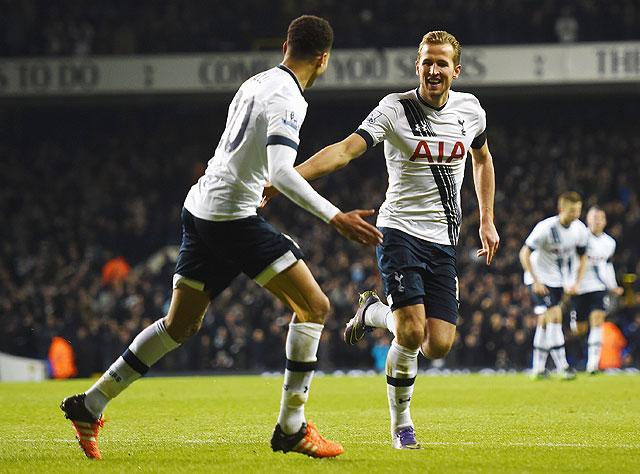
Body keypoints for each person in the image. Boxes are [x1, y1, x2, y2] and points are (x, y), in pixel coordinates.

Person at [59, 15, 383, 461]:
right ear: (324, 59)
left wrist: (257, 186)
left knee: (180, 325)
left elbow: (245, 155)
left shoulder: (256, 82)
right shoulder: (290, 97)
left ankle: (88, 403)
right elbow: (283, 172)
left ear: (286, 45)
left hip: (201, 208)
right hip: (230, 217)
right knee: (315, 306)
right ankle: (291, 427)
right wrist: (336, 218)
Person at [264, 30, 499, 449]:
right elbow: (345, 151)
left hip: (444, 240)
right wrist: (286, 179)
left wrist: (487, 220)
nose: (433, 69)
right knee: (410, 332)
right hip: (399, 232)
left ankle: (373, 313)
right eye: (427, 61)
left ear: (455, 71)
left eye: (442, 63)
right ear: (418, 66)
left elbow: (482, 158)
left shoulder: (471, 111)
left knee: (438, 345)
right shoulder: (395, 109)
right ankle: (401, 427)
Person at [519, 192, 588, 380]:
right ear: (561, 209)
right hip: (539, 279)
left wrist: (576, 282)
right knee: (555, 316)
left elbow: (583, 258)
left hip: (559, 280)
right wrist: (536, 281)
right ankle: (563, 367)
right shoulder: (545, 228)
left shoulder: (580, 230)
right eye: (572, 211)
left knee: (544, 321)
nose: (576, 214)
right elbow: (524, 253)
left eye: (578, 210)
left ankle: (538, 369)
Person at [571, 206, 623, 373]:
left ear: (605, 221)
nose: (597, 221)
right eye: (594, 218)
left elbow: (607, 265)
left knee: (597, 320)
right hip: (579, 288)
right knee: (579, 329)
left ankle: (592, 365)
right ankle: (574, 321)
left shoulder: (610, 243)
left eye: (600, 218)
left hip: (598, 287)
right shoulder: (579, 237)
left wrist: (613, 286)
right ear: (588, 220)